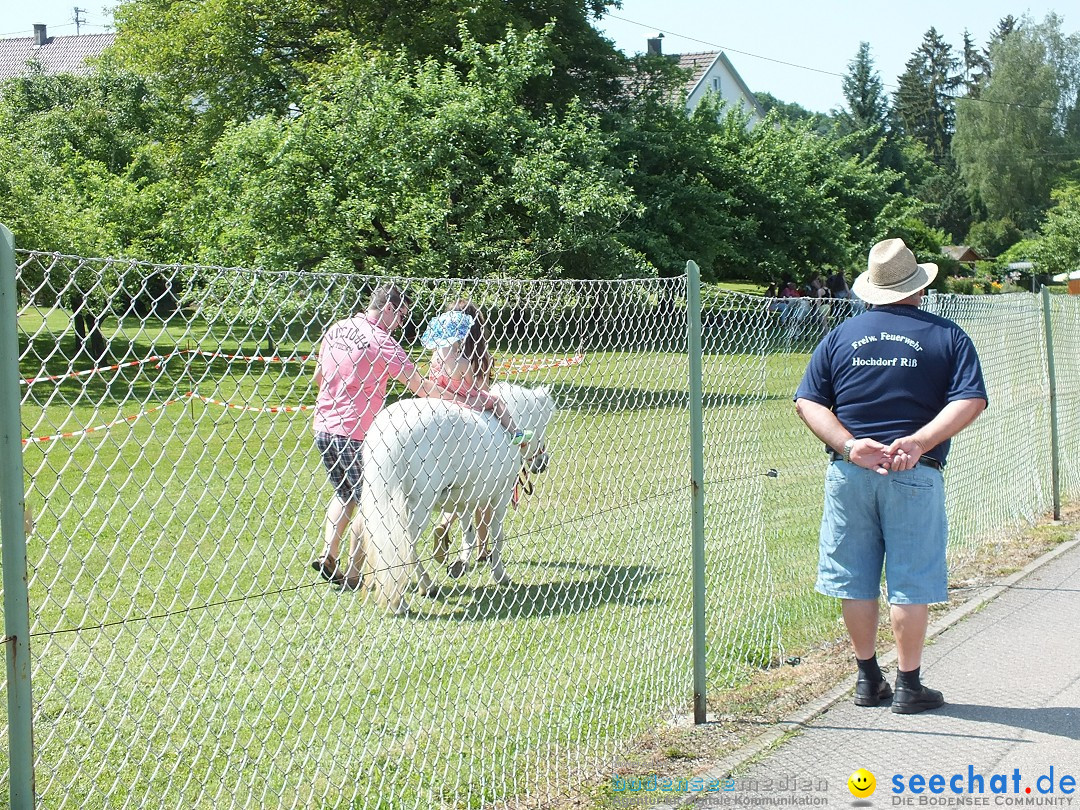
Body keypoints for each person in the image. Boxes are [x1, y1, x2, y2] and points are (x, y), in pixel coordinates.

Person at [794, 238, 988, 714]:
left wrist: (849, 445)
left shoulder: (841, 336)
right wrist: (919, 441)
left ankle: (866, 678)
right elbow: (970, 400)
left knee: (854, 577)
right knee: (910, 577)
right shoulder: (947, 335)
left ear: (871, 290)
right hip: (913, 470)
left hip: (850, 473)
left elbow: (808, 401)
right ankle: (908, 684)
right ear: (918, 287)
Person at [310, 284, 515, 588]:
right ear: (390, 308)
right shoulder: (383, 343)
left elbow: (317, 377)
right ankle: (354, 574)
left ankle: (330, 551)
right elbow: (422, 388)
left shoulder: (338, 328)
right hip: (357, 431)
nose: (402, 323)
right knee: (370, 500)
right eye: (402, 315)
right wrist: (470, 401)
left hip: (323, 425)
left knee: (344, 494)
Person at [421, 300, 523, 566]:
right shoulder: (473, 356)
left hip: (441, 402)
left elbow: (432, 381)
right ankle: (518, 436)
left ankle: (449, 525)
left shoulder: (437, 355)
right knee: (484, 482)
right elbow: (481, 386)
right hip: (469, 403)